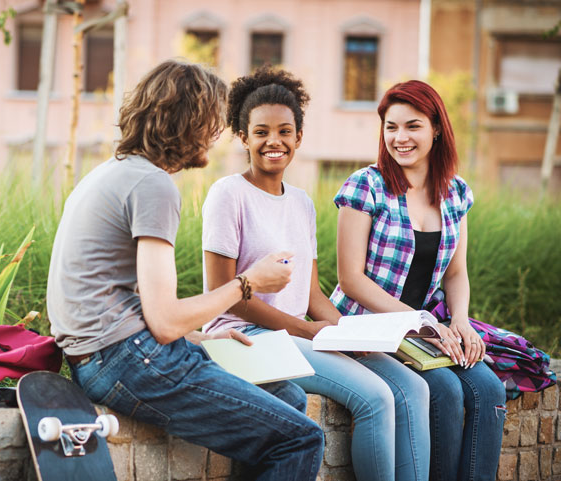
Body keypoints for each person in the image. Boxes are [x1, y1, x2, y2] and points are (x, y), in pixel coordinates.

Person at [45, 59, 324, 481]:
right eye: (212, 122)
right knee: (302, 438)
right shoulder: (153, 186)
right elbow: (164, 321)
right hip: (126, 359)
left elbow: (127, 300)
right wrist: (248, 284)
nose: (216, 135)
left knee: (286, 396)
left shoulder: (113, 172)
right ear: (190, 122)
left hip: (99, 355)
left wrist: (202, 337)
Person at [202, 66, 430, 481]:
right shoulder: (228, 194)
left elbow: (312, 297)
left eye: (285, 131)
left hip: (294, 332)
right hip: (243, 337)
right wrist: (307, 331)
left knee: (413, 387)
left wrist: (349, 331)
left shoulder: (303, 203)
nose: (274, 141)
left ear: (299, 137)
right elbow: (226, 294)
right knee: (376, 397)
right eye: (261, 132)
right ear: (242, 137)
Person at [332, 79, 506, 481]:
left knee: (489, 390)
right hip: (369, 326)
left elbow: (456, 271)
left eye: (412, 126)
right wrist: (422, 322)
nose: (400, 137)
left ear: (436, 128)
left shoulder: (456, 193)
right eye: (391, 127)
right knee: (443, 390)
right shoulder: (366, 186)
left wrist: (459, 319)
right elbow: (351, 279)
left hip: (423, 327)